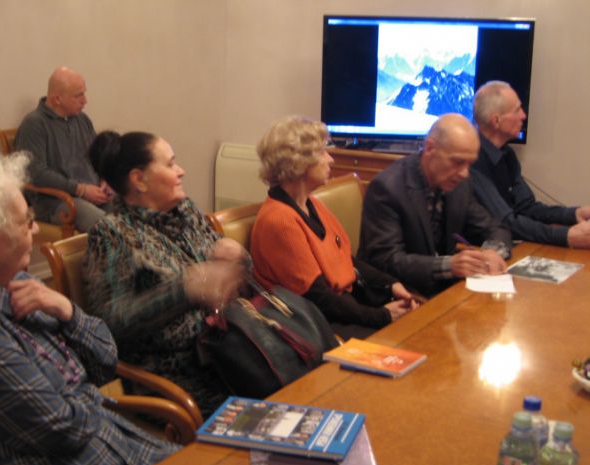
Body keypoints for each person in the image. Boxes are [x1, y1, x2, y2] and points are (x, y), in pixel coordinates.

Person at [0, 151, 178, 465]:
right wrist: (87, 396)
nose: (35, 230)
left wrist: (68, 311)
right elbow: (59, 427)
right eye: (26, 221)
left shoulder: (17, 281)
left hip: (113, 445)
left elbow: (105, 361)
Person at [82, 130, 247, 418]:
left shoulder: (186, 212)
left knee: (296, 385)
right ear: (139, 179)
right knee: (274, 408)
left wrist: (238, 258)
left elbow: (228, 277)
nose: (181, 171)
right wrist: (185, 289)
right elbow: (111, 323)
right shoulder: (113, 233)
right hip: (173, 380)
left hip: (228, 353)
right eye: (170, 164)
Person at [250, 115, 417, 340]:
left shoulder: (312, 204)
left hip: (341, 309)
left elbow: (344, 259)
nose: (330, 159)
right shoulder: (279, 221)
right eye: (322, 152)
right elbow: (319, 299)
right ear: (299, 162)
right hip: (315, 324)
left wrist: (391, 284)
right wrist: (382, 316)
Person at [358, 113, 512, 297]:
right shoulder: (387, 187)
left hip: (441, 291)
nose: (464, 173)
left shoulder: (458, 185)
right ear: (430, 148)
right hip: (399, 295)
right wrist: (449, 265)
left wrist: (492, 252)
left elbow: (494, 227)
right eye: (458, 162)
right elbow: (386, 261)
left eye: (470, 164)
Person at [471, 80, 590, 248]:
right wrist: (566, 236)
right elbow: (504, 220)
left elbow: (526, 207)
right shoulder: (471, 158)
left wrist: (574, 214)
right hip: (478, 251)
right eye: (517, 110)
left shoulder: (507, 155)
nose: (523, 116)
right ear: (496, 121)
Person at [15, 66, 113, 232]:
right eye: (78, 95)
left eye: (84, 93)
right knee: (108, 227)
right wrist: (80, 190)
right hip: (56, 201)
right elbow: (36, 173)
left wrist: (106, 179)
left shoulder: (82, 119)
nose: (85, 101)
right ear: (57, 99)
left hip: (92, 193)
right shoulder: (34, 124)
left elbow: (98, 155)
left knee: (134, 207)